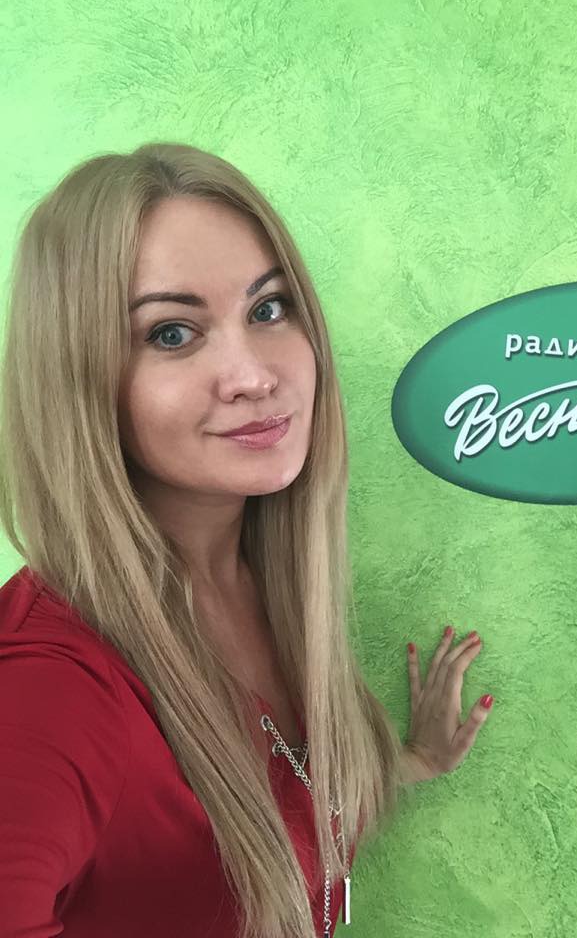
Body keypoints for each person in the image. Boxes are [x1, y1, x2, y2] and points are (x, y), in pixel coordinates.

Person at [0, 142, 494, 938]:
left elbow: (261, 813)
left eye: (267, 310)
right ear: (79, 379)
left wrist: (404, 763)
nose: (254, 375)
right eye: (171, 333)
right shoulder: (49, 679)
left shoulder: (269, 580)